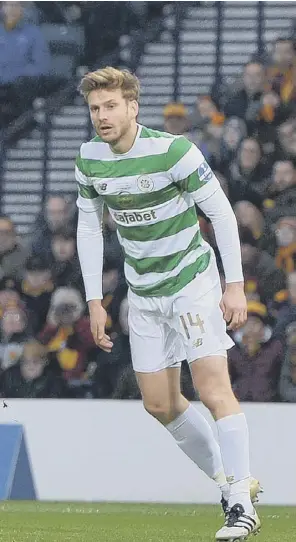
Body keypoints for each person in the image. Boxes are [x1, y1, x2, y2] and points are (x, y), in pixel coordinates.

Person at [75, 67, 262, 540]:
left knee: (213, 388)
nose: (102, 116)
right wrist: (95, 300)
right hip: (144, 293)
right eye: (95, 108)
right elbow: (90, 227)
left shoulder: (174, 151)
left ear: (133, 106)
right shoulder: (89, 158)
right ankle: (229, 482)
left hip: (192, 283)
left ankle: (242, 504)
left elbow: (219, 211)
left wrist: (234, 285)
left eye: (111, 106)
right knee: (159, 404)